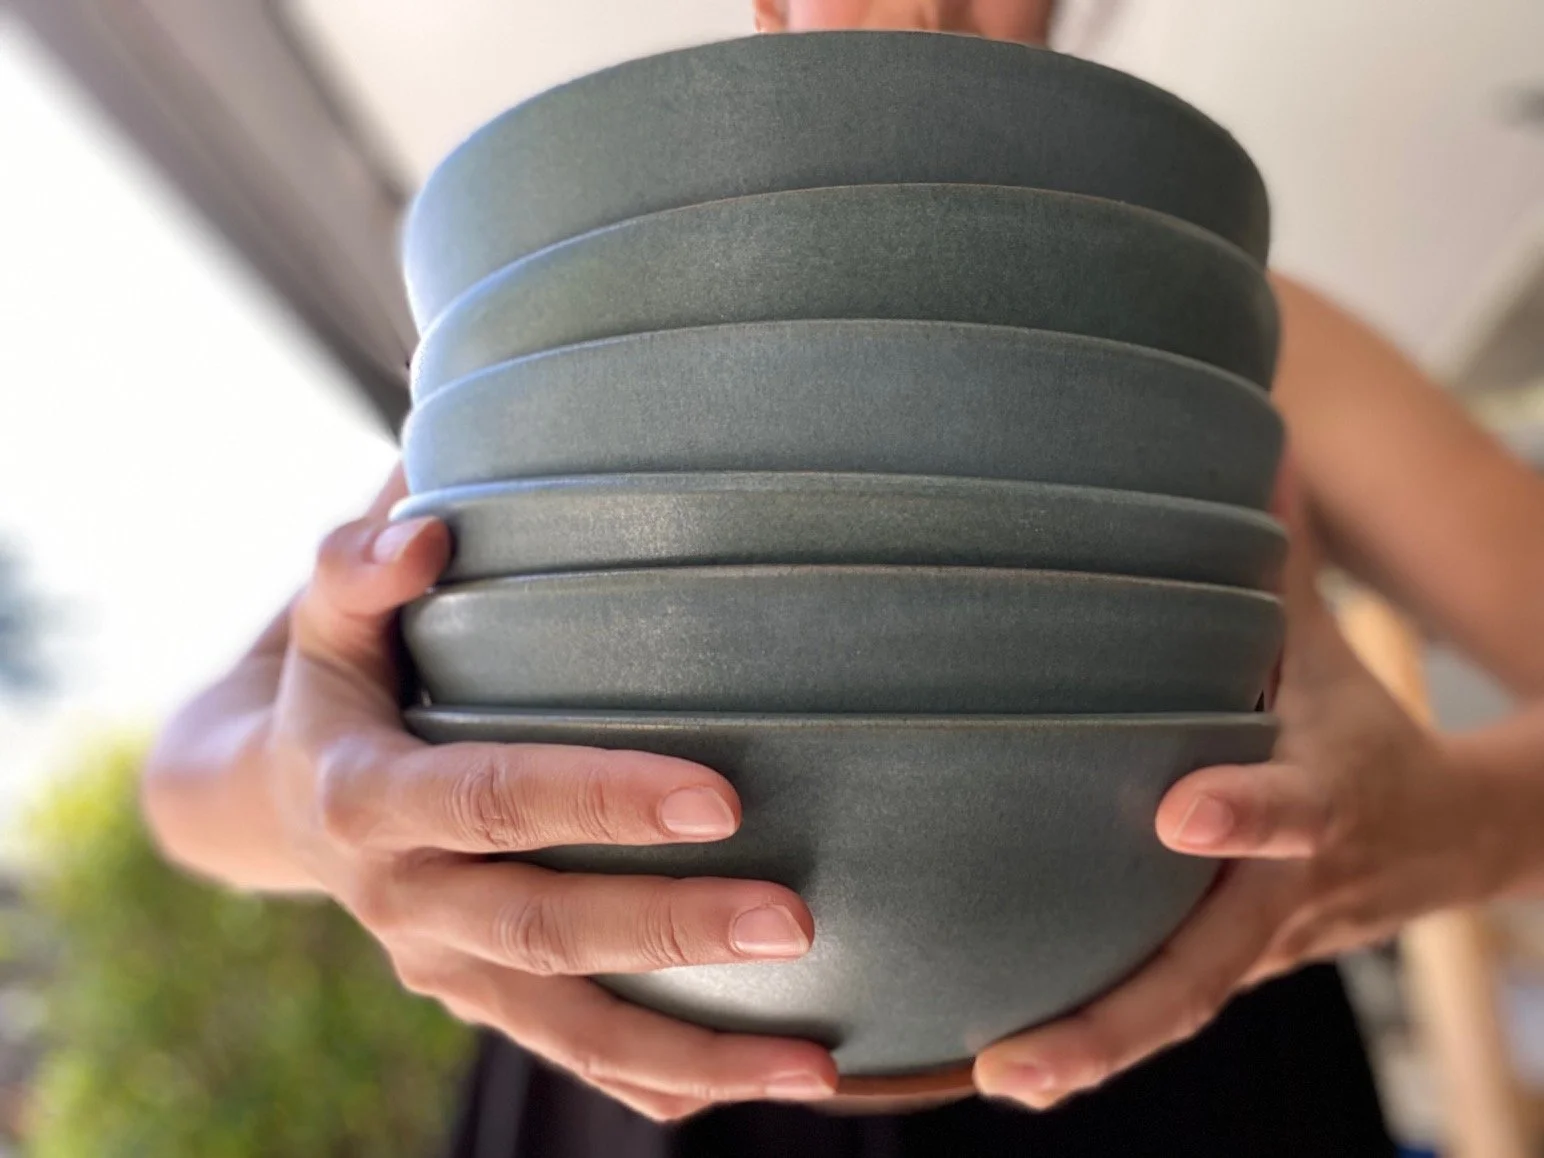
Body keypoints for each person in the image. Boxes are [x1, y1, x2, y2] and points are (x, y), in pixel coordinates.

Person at [141, 1, 1544, 1154]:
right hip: (624, 1077)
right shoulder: (584, 301)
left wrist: (1454, 824)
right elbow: (196, 766)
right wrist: (313, 797)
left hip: (1176, 1060)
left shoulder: (1250, 331)